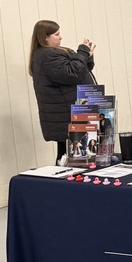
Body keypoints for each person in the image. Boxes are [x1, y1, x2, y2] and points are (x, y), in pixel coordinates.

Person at [28, 20, 95, 161]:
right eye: (56, 34)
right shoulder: (48, 56)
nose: (60, 37)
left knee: (75, 154)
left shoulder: (55, 52)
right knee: (69, 156)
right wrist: (82, 51)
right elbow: (72, 73)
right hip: (66, 114)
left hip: (70, 111)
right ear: (45, 37)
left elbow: (80, 71)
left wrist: (87, 57)